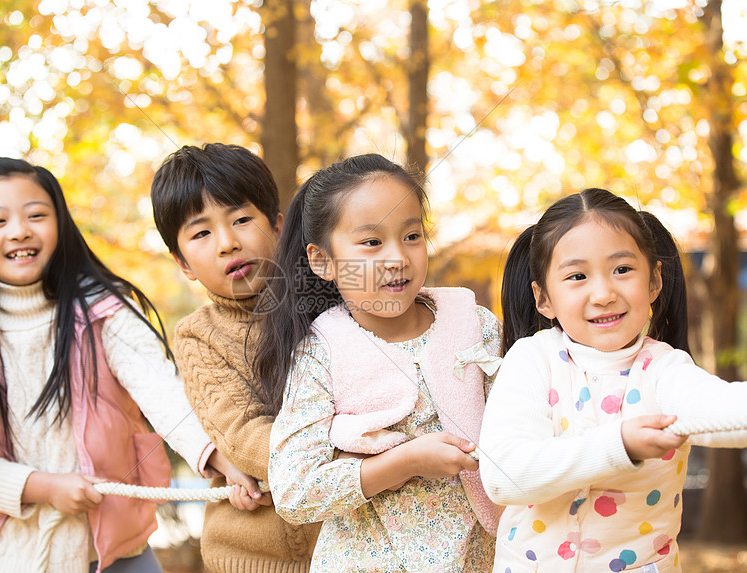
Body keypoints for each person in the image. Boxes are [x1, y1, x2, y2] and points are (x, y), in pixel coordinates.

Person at [0, 156, 249, 573]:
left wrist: (222, 461)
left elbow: (164, 393)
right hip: (13, 557)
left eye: (36, 215)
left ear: (59, 226)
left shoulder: (104, 309)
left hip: (118, 553)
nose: (20, 230)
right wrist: (45, 487)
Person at [251, 153, 503, 572]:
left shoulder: (474, 323)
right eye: (371, 242)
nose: (397, 258)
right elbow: (294, 490)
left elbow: (518, 429)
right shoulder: (322, 351)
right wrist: (405, 462)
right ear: (322, 260)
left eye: (412, 236)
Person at [479, 187, 747, 572]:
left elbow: (721, 412)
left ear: (654, 281)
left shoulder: (664, 369)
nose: (603, 293)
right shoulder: (531, 360)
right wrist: (618, 445)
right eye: (577, 276)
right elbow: (505, 477)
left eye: (622, 269)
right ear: (544, 299)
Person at [150, 143, 320, 573]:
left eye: (242, 220)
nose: (228, 243)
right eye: (201, 233)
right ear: (182, 262)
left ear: (278, 227)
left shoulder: (325, 303)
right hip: (253, 555)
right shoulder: (197, 337)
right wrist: (352, 452)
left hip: (347, 547)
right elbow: (244, 435)